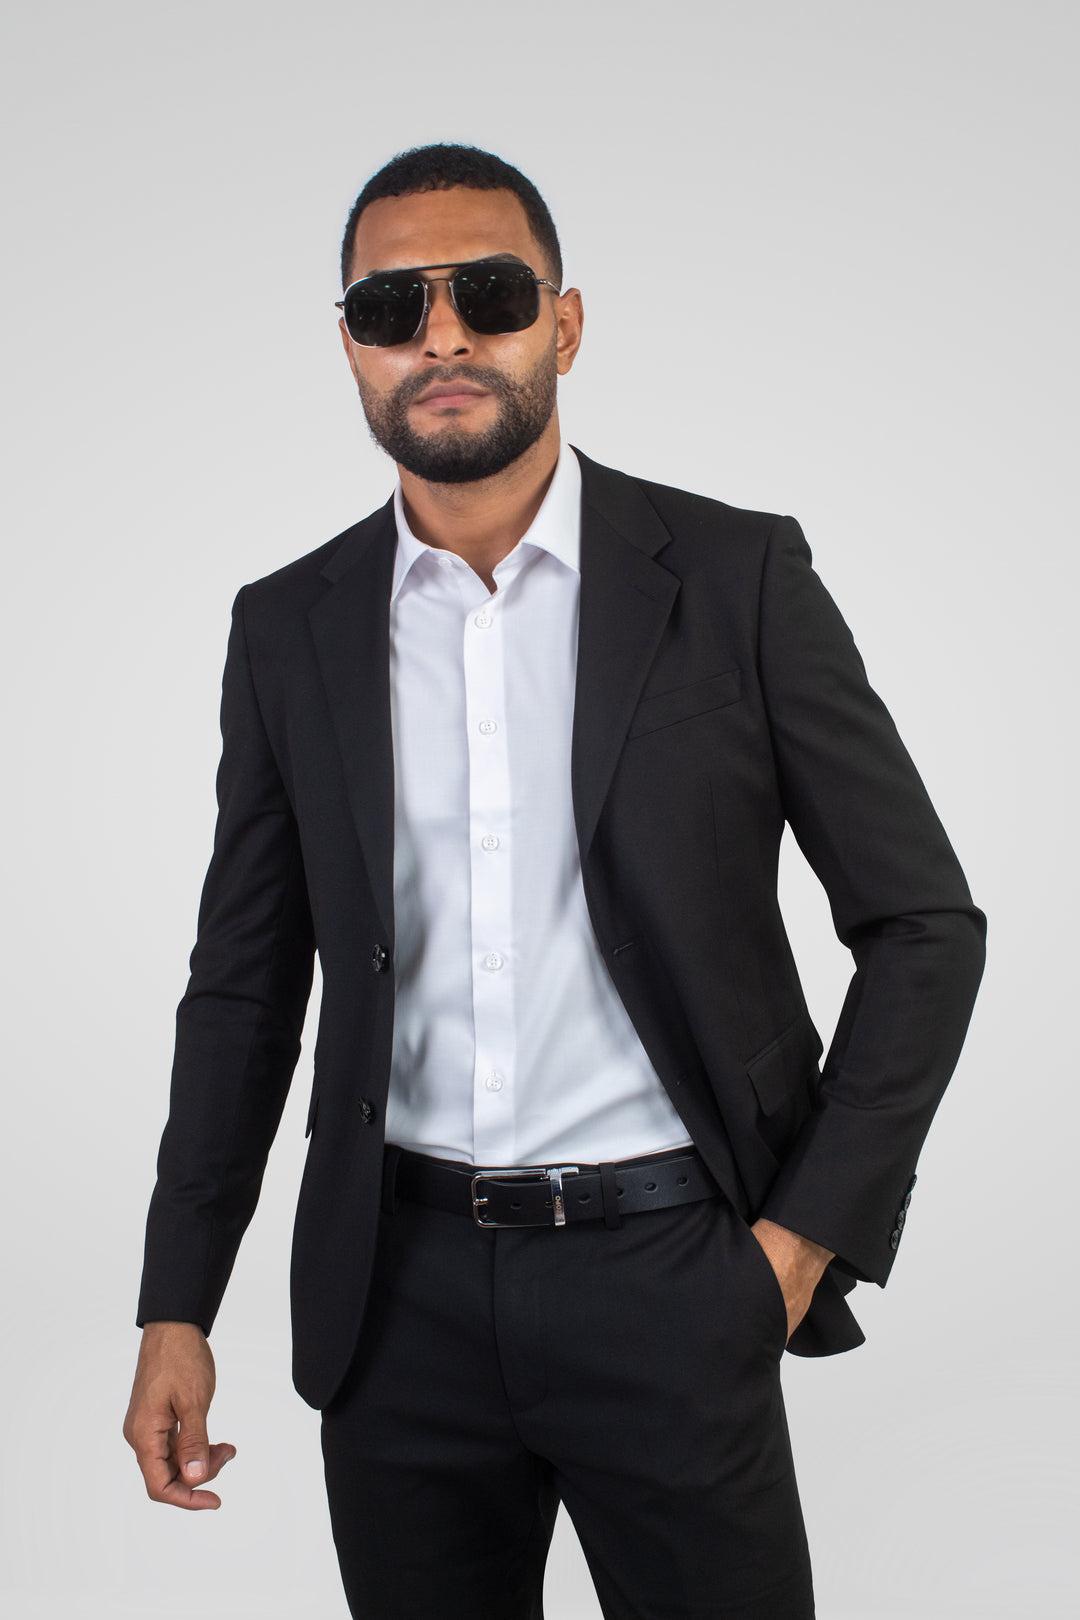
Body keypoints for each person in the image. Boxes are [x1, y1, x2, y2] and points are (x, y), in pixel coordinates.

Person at [124, 144, 986, 1619]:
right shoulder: (287, 627)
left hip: (674, 1275)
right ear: (352, 348)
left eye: (491, 294)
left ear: (565, 326)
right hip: (392, 1300)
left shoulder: (736, 578)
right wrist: (176, 1300)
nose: (442, 335)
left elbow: (925, 928)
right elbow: (244, 988)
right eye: (393, 306)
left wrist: (796, 1245)